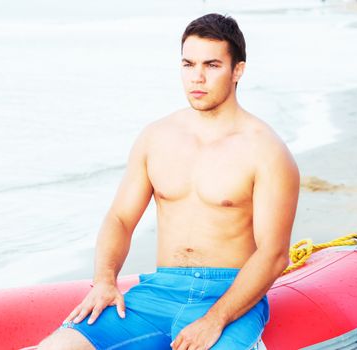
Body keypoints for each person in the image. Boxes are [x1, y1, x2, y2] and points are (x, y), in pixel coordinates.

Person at [38, 13, 299, 350]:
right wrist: (105, 280)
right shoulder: (156, 138)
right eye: (188, 64)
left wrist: (213, 321)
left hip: (230, 298)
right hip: (158, 291)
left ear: (238, 71)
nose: (197, 78)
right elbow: (119, 218)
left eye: (212, 65)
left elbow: (274, 254)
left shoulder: (266, 151)